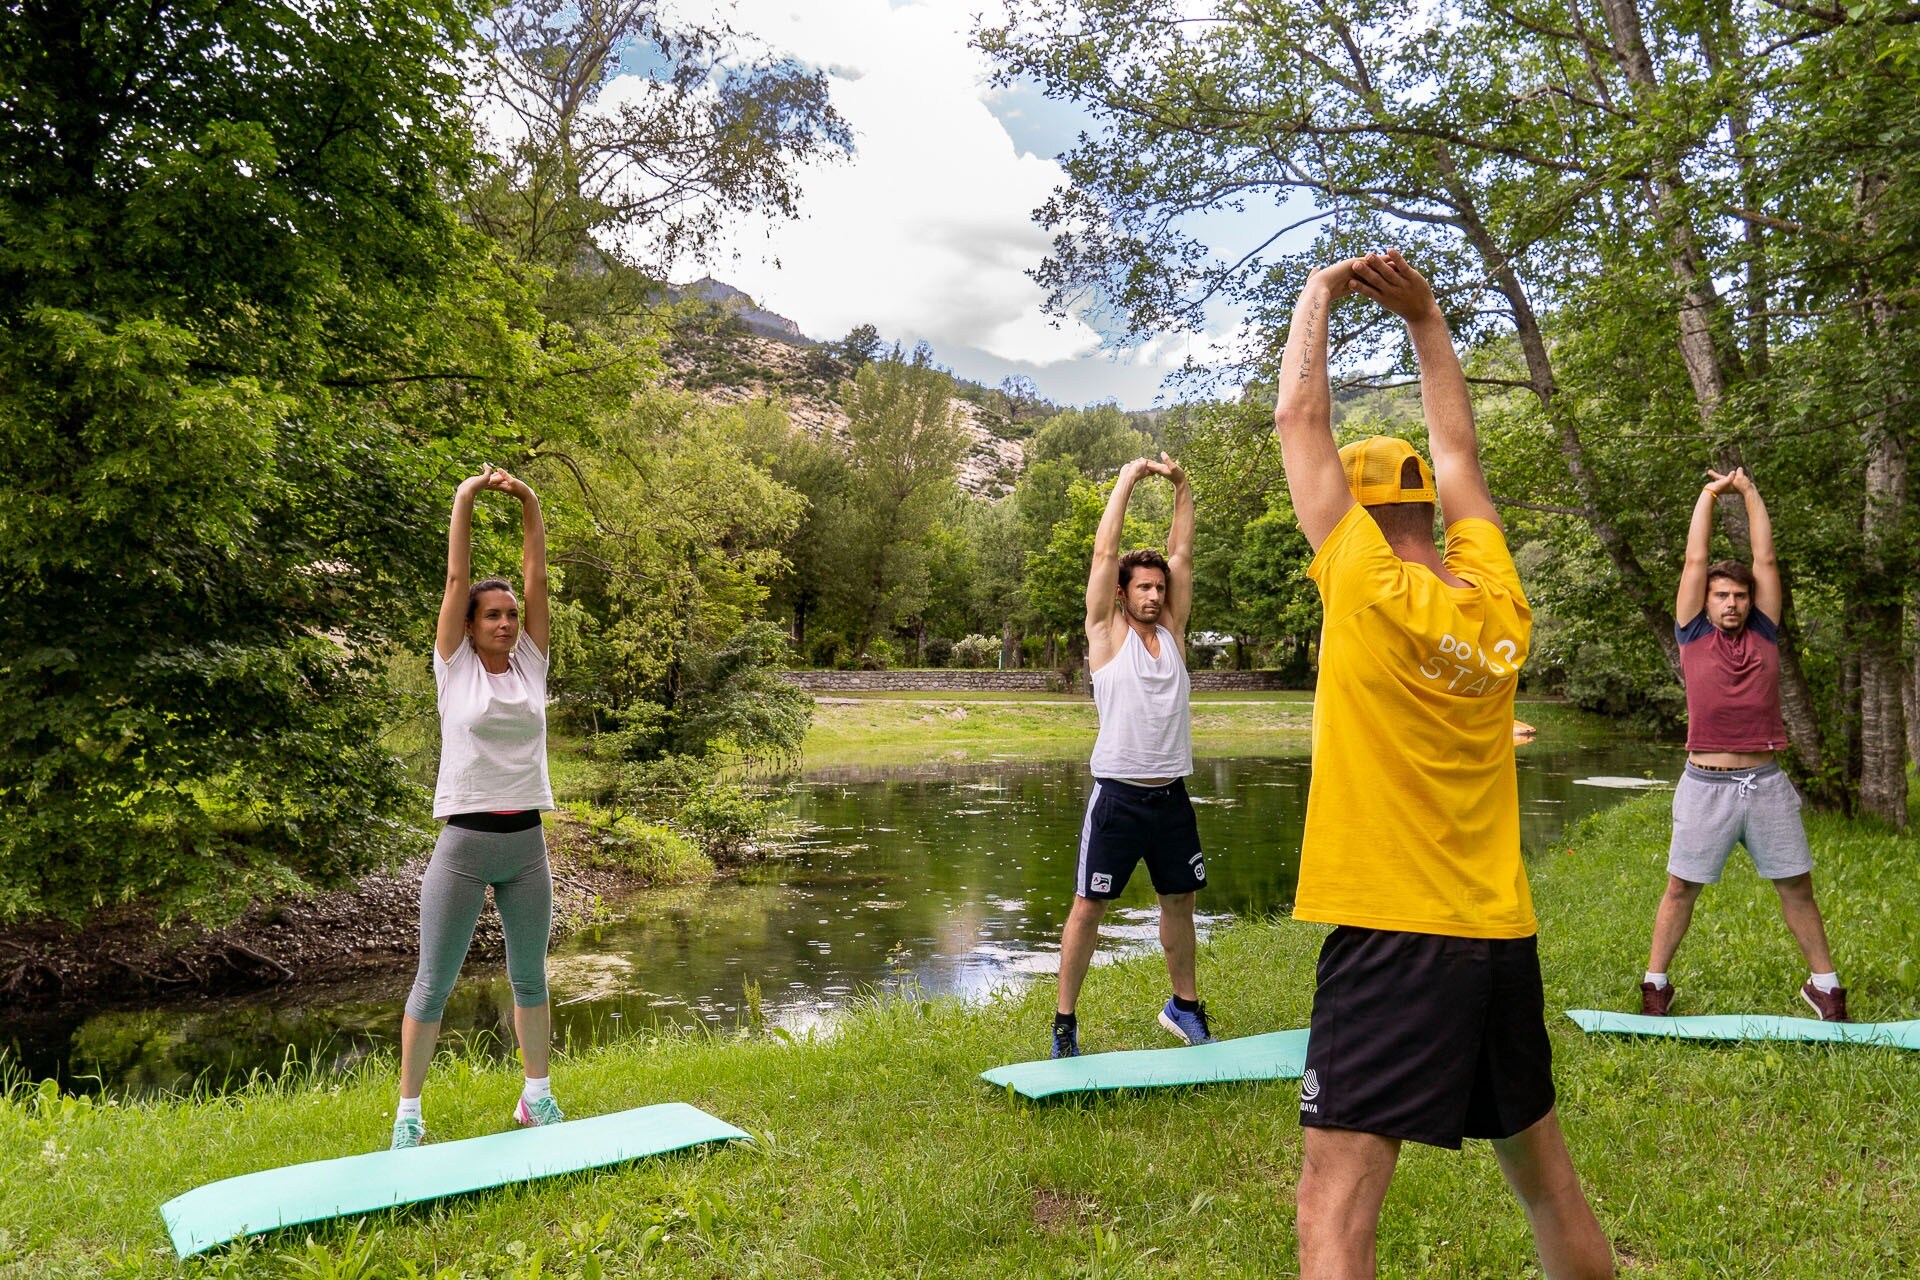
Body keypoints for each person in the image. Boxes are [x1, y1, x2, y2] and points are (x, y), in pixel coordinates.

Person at [1273, 251, 1612, 1279]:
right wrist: (1427, 322)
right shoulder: (1496, 600)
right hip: (1495, 933)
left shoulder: (1365, 581)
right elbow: (1460, 453)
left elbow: (1299, 424)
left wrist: (1319, 292)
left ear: (1364, 513)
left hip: (1393, 932)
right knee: (1546, 1181)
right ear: (1430, 508)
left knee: (1329, 1214)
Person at [392, 465, 563, 1150]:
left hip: (526, 845)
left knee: (530, 976)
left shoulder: (531, 666)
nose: (504, 621)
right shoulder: (453, 668)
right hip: (463, 847)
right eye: (491, 615)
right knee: (433, 982)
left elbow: (538, 580)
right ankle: (408, 1116)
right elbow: (456, 579)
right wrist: (465, 496)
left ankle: (537, 1098)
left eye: (510, 615)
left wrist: (528, 501)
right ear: (468, 624)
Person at [1639, 468, 1846, 1021]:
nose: (1730, 603)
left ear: (1751, 602)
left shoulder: (1765, 632)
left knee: (1796, 884)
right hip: (1705, 783)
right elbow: (1694, 561)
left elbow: (1767, 562)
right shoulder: (1692, 633)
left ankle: (1825, 987)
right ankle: (1655, 987)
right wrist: (1708, 494)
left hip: (1767, 784)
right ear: (1705, 602)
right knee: (1681, 886)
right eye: (1721, 596)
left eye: (1739, 596)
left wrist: (1750, 492)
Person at [1051, 452, 1211, 1059]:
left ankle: (1184, 1006)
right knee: (1088, 907)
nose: (1153, 594)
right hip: (1116, 796)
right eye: (1142, 587)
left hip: (1171, 796)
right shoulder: (1105, 634)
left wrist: (1181, 486)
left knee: (1179, 901)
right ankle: (1065, 1024)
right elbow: (1101, 554)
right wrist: (1126, 480)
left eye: (1158, 587)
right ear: (1121, 594)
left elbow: (1183, 554)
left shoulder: (1171, 633)